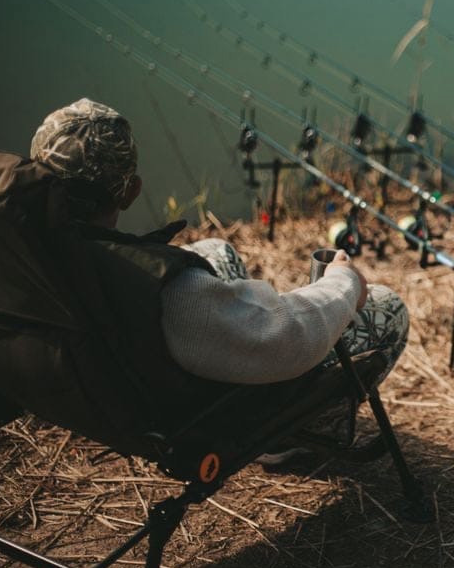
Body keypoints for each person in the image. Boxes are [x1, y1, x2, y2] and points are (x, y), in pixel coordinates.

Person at [29, 97, 409, 463]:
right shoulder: (163, 292)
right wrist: (342, 284)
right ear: (130, 191)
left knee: (214, 250)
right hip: (191, 416)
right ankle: (290, 436)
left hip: (101, 389)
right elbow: (285, 338)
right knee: (387, 307)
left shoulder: (19, 254)